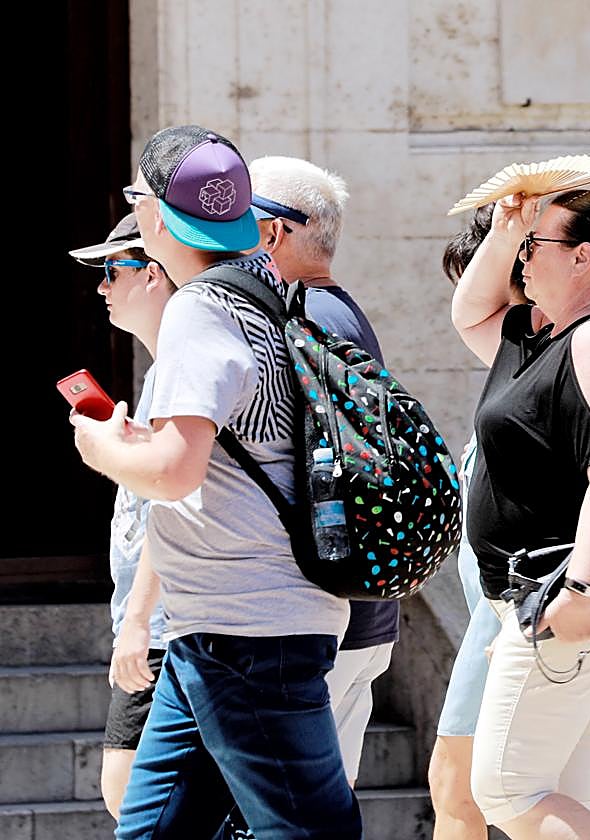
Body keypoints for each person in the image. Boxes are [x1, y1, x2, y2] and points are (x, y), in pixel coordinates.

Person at [70, 125, 359, 839]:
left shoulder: (199, 309)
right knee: (151, 831)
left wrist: (101, 446)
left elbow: (173, 472)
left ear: (161, 214)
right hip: (217, 631)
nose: (132, 209)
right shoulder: (260, 290)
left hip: (247, 633)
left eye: (137, 196)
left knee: (308, 832)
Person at [432, 206, 590, 840]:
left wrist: (581, 590)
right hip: (550, 589)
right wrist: (509, 226)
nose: (522, 259)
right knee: (561, 788)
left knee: (507, 792)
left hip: (568, 589)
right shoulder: (539, 338)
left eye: (535, 245)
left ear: (584, 255)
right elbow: (468, 312)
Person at [249, 154, 394, 787]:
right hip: (358, 615)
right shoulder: (338, 312)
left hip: (323, 617)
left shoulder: (302, 321)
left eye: (232, 219)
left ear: (273, 232)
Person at [67, 215, 174, 819]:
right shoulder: (165, 372)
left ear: (153, 274)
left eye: (112, 270)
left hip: (163, 629)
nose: (102, 287)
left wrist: (137, 626)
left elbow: (173, 504)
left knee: (129, 795)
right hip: (164, 627)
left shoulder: (180, 369)